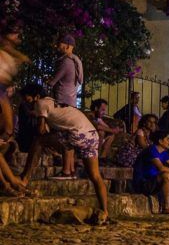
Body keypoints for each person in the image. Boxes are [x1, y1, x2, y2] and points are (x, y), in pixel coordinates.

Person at [20, 96, 109, 224]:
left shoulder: (39, 103)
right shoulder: (52, 102)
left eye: (27, 97)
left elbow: (40, 130)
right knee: (95, 176)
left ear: (36, 96)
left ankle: (24, 178)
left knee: (38, 141)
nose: (25, 101)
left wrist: (37, 119)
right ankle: (105, 212)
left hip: (77, 133)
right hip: (91, 135)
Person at [132, 130, 169, 214]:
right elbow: (161, 168)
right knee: (166, 175)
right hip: (143, 183)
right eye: (168, 139)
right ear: (160, 141)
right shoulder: (151, 150)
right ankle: (166, 206)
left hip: (154, 182)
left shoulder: (164, 152)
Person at [47, 34, 83, 107]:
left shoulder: (66, 61)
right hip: (71, 102)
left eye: (59, 44)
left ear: (67, 46)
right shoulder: (75, 60)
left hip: (62, 102)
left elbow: (52, 82)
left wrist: (48, 81)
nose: (56, 46)